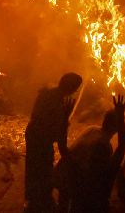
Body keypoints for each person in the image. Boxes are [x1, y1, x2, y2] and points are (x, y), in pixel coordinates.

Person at [58, 94, 125, 213]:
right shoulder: (106, 174)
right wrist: (121, 117)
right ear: (116, 129)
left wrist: (65, 118)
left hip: (76, 196)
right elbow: (122, 146)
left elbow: (64, 149)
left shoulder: (92, 131)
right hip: (96, 204)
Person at [24, 72, 82, 212]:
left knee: (33, 168)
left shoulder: (48, 93)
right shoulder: (59, 103)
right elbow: (59, 133)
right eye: (75, 88)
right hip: (41, 140)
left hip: (33, 134)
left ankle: (33, 200)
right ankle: (40, 204)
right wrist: (66, 154)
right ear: (70, 88)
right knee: (43, 171)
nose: (76, 91)